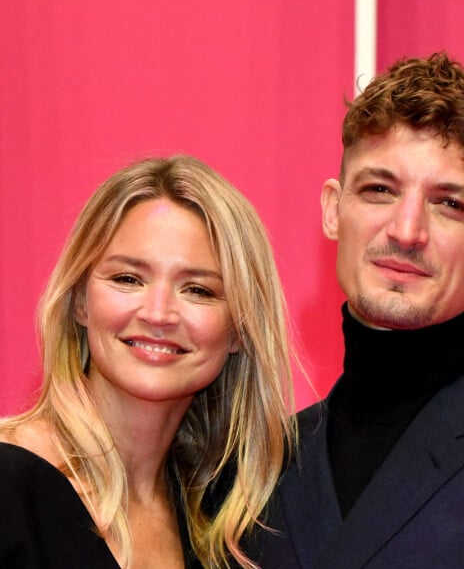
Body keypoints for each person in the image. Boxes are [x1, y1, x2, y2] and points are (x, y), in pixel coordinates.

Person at [249, 53, 464, 568]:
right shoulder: (256, 466)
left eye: (449, 203)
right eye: (379, 190)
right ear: (334, 209)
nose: (406, 231)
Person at [0, 155, 296, 569]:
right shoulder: (10, 485)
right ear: (81, 301)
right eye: (128, 279)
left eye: (197, 290)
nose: (158, 314)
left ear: (238, 331)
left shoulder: (225, 522)